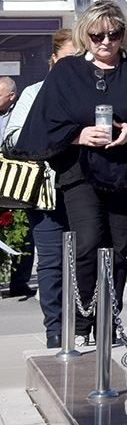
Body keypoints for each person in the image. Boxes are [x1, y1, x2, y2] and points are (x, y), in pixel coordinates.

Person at [8, 0, 127, 343]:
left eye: (114, 34)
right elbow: (44, 124)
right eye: (97, 35)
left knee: (118, 250)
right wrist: (78, 135)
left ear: (123, 35)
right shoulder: (67, 71)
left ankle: (107, 324)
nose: (106, 42)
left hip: (125, 171)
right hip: (79, 171)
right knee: (88, 244)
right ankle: (81, 324)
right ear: (86, 36)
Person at [2, 30, 76, 344]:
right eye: (67, 59)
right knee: (51, 261)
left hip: (90, 187)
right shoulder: (34, 93)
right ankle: (56, 331)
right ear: (53, 60)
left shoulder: (98, 90)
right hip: (45, 189)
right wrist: (56, 134)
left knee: (91, 258)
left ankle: (91, 324)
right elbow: (12, 139)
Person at [1, 76, 37, 299]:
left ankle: (19, 281)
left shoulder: (21, 111)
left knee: (22, 232)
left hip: (16, 179)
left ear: (11, 96)